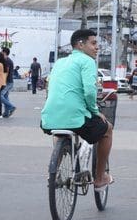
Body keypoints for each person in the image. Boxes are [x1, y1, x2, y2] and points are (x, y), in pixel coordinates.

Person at [41, 29, 113, 190]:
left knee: (60, 130)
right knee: (107, 129)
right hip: (76, 117)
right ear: (80, 45)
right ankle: (100, 178)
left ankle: (55, 171)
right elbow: (89, 91)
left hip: (49, 116)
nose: (97, 48)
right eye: (93, 43)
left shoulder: (59, 62)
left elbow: (50, 86)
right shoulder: (87, 61)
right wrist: (95, 111)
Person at [1, 47, 16, 117]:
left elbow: (6, 72)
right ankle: (6, 113)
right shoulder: (7, 60)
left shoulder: (7, 61)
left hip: (8, 82)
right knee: (6, 96)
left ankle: (11, 107)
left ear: (4, 52)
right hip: (8, 81)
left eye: (1, 52)